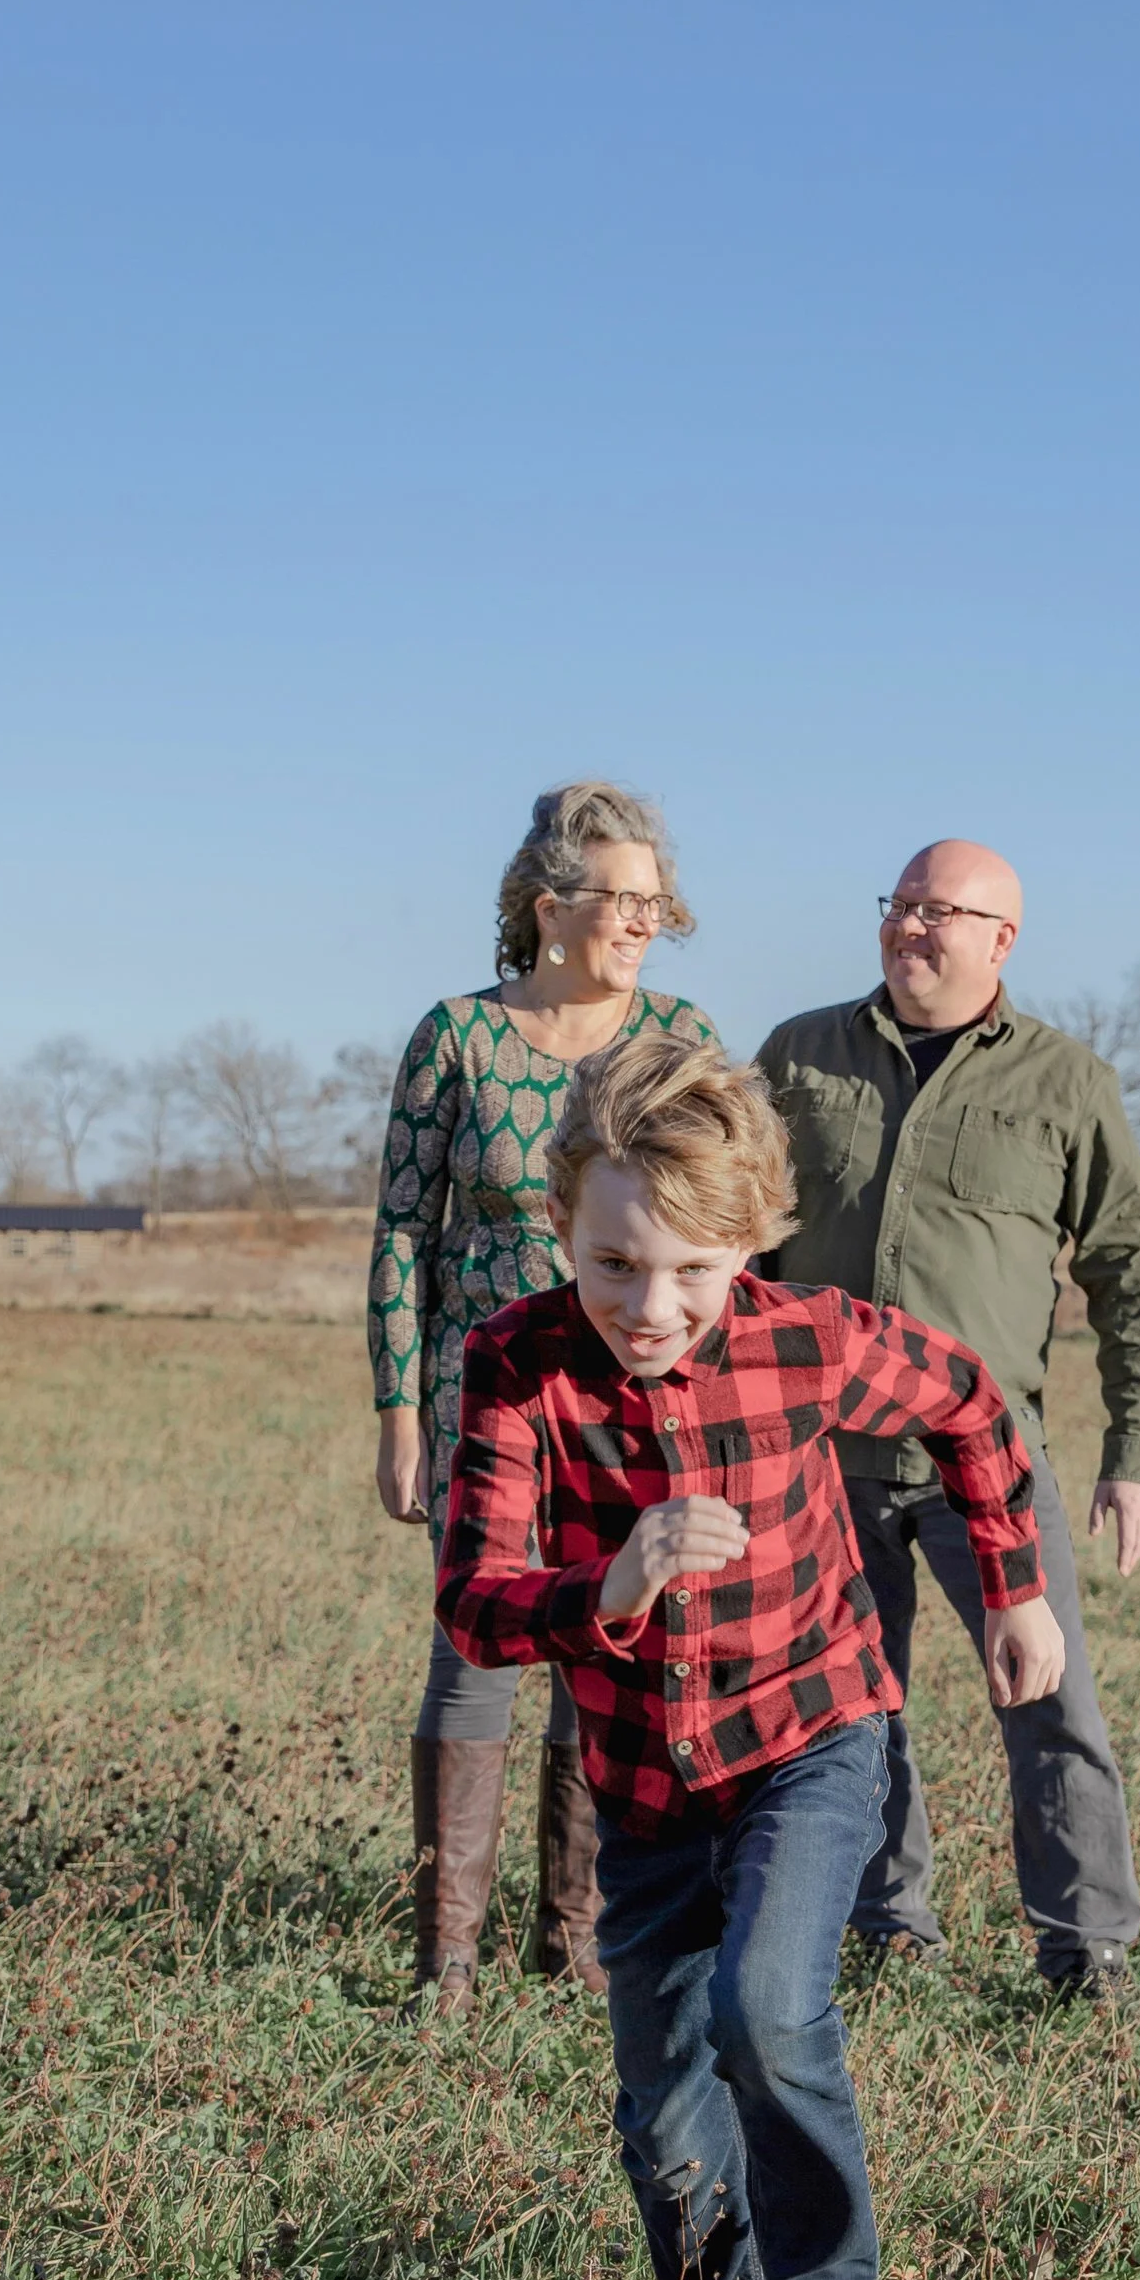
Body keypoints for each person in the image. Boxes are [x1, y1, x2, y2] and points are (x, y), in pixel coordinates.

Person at [437, 1028, 1059, 2280]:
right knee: (663, 2118)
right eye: (612, 1265)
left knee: (767, 2008)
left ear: (751, 1244)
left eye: (692, 1272)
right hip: (643, 1791)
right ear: (563, 1222)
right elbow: (474, 1598)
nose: (649, 1307)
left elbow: (972, 1404)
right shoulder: (516, 1363)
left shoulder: (810, 1338)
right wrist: (609, 1582)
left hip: (811, 1737)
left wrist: (1015, 1586)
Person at [755, 839, 1140, 1999]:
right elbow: (733, 1234)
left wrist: (1133, 1454)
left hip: (986, 1460)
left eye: (938, 910)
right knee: (853, 1705)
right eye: (898, 904)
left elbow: (1129, 1269)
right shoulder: (796, 1056)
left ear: (1002, 939)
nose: (908, 926)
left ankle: (1085, 1948)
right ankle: (886, 1928)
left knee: (1049, 1701)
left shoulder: (1065, 1082)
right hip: (820, 1456)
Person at [368, 780, 717, 2011]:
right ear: (547, 905)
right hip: (484, 1395)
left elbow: (718, 1216)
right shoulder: (457, 1038)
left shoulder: (677, 1038)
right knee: (476, 1647)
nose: (641, 921)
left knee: (603, 1650)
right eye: (619, 898)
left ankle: (574, 1942)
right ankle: (447, 1962)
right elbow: (402, 1234)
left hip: (629, 1393)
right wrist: (399, 1415)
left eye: (653, 901)